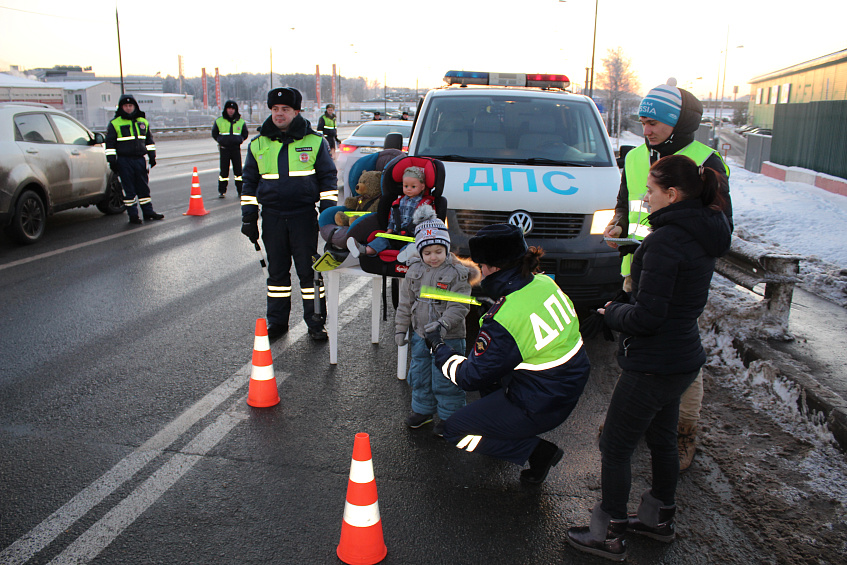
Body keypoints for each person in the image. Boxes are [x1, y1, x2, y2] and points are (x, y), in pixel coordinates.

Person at [566, 155, 731, 561]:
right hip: (683, 356)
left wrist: (612, 311)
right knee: (661, 439)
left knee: (616, 445)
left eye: (652, 190)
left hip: (654, 362)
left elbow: (648, 316)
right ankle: (659, 518)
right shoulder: (703, 232)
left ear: (671, 194)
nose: (645, 197)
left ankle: (609, 532)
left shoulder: (665, 241)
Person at [602, 81, 733, 471]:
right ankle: (634, 420)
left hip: (679, 278)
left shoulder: (705, 160)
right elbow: (627, 203)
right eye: (643, 122)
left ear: (677, 123)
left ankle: (683, 434)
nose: (647, 130)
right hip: (637, 270)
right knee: (634, 352)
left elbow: (719, 229)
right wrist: (617, 226)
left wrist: (674, 244)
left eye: (654, 122)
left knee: (678, 360)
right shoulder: (637, 156)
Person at [427, 224, 590, 484]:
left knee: (453, 430)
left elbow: (469, 377)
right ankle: (503, 425)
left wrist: (437, 346)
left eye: (482, 266)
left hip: (541, 401)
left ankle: (536, 451)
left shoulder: (506, 318)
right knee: (491, 377)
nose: (480, 272)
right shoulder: (544, 282)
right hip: (566, 381)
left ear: (493, 267)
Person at [240, 87, 338, 341]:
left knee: (309, 273)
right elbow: (248, 183)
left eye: (285, 110)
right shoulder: (258, 144)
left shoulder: (315, 141)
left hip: (303, 216)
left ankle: (316, 322)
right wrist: (249, 216)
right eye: (275, 110)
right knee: (277, 275)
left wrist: (328, 216)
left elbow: (328, 180)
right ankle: (277, 322)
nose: (279, 114)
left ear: (296, 112)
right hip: (272, 217)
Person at [395, 206, 475, 437]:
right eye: (428, 252)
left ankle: (452, 419)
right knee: (420, 374)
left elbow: (459, 305)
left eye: (439, 251)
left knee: (446, 379)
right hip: (421, 335)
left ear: (447, 248)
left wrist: (442, 325)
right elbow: (405, 304)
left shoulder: (457, 273)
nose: (433, 257)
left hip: (448, 338)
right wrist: (401, 329)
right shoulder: (414, 271)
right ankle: (423, 411)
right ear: (420, 251)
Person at [346, 165, 432, 258]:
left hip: (413, 237)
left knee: (414, 245)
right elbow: (392, 218)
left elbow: (427, 222)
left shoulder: (425, 204)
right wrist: (389, 231)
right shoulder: (397, 202)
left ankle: (406, 254)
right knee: (382, 240)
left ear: (422, 186)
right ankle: (364, 250)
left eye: (413, 186)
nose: (409, 189)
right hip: (395, 235)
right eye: (406, 186)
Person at [105, 94, 163, 225]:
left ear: (135, 106)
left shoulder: (143, 122)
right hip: (124, 161)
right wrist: (112, 161)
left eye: (130, 105)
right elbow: (110, 144)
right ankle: (133, 216)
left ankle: (148, 212)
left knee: (143, 188)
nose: (128, 108)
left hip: (139, 160)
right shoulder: (115, 123)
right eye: (125, 106)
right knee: (129, 189)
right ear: (121, 107)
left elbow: (149, 141)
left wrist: (152, 156)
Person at [212, 100, 249, 197]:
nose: (231, 111)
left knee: (238, 172)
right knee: (224, 171)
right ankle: (222, 191)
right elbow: (214, 133)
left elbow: (245, 134)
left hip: (236, 149)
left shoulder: (240, 122)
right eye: (229, 108)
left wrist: (239, 139)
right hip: (224, 149)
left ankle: (241, 191)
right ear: (226, 109)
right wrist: (221, 140)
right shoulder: (219, 121)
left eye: (233, 109)